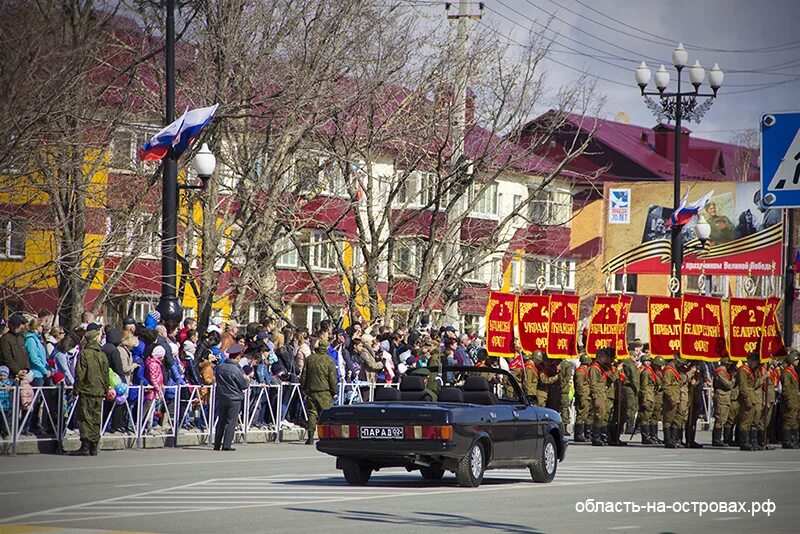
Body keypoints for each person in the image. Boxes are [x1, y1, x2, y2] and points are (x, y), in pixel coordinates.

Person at [69, 323, 109, 456]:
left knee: (85, 418)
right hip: (98, 391)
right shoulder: (102, 354)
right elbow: (105, 374)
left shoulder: (84, 353)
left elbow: (80, 374)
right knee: (96, 418)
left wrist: (76, 390)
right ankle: (94, 445)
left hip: (87, 390)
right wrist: (105, 389)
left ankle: (85, 446)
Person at [301, 335, 338, 445]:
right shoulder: (329, 360)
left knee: (312, 413)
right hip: (325, 391)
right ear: (326, 348)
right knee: (326, 414)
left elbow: (304, 375)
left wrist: (303, 387)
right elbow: (332, 378)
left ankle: (310, 437)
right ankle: (327, 437)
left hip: (311, 390)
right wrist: (334, 391)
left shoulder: (310, 359)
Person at [213, 343, 248, 451]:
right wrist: (247, 379)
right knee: (231, 421)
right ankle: (227, 444)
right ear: (237, 357)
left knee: (221, 420)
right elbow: (244, 384)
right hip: (234, 398)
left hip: (222, 396)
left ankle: (217, 444)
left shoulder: (220, 367)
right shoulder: (236, 370)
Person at [23, 317, 50, 434]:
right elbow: (34, 358)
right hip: (36, 373)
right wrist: (44, 370)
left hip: (42, 373)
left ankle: (34, 424)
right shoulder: (30, 340)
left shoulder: (38, 339)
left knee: (39, 402)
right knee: (31, 401)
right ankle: (25, 426)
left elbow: (42, 356)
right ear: (36, 327)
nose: (42, 328)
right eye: (41, 326)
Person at [589, 348, 613, 446]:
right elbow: (593, 384)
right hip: (598, 394)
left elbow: (613, 378)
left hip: (604, 393)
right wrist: (595, 397)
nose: (606, 359)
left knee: (604, 416)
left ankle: (602, 436)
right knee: (599, 415)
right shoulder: (594, 368)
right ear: (599, 357)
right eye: (604, 357)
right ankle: (596, 437)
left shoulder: (603, 367)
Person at [737, 352, 760, 451]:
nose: (756, 365)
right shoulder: (743, 370)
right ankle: (744, 442)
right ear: (750, 361)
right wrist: (747, 399)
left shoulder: (751, 371)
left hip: (753, 397)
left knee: (751, 421)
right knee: (745, 421)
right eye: (755, 362)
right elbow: (743, 386)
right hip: (747, 398)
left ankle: (751, 441)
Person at [661, 354, 684, 449]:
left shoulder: (676, 370)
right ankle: (668, 440)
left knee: (677, 419)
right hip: (671, 398)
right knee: (668, 420)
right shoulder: (669, 370)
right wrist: (671, 398)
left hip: (677, 397)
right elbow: (665, 386)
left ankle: (674, 440)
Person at [712, 356, 735, 447]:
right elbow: (727, 385)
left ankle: (722, 438)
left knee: (724, 418)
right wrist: (733, 380)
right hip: (721, 397)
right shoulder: (720, 372)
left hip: (725, 398)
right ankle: (716, 439)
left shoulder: (725, 372)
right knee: (720, 419)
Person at [638, 353, 659, 445]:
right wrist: (644, 399)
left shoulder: (651, 371)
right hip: (647, 395)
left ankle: (650, 436)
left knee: (650, 416)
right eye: (646, 361)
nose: (648, 363)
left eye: (649, 361)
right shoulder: (646, 372)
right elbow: (644, 386)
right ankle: (645, 437)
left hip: (651, 395)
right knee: (645, 417)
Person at [780, 351, 799, 449]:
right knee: (788, 420)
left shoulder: (794, 371)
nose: (798, 361)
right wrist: (789, 400)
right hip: (790, 400)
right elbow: (786, 388)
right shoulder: (787, 372)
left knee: (794, 420)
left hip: (795, 399)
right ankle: (787, 441)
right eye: (796, 359)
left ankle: (793, 439)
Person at [0, 314, 29, 379]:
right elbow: (7, 357)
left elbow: (25, 353)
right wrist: (17, 370)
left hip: (23, 373)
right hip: (10, 374)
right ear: (12, 325)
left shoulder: (21, 338)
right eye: (18, 325)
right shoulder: (5, 338)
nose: (19, 328)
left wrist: (27, 368)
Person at [572, 353, 592, 442]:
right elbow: (579, 385)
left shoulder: (585, 370)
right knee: (581, 415)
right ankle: (578, 435)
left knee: (587, 414)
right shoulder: (580, 371)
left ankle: (587, 433)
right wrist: (581, 397)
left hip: (586, 395)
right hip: (583, 396)